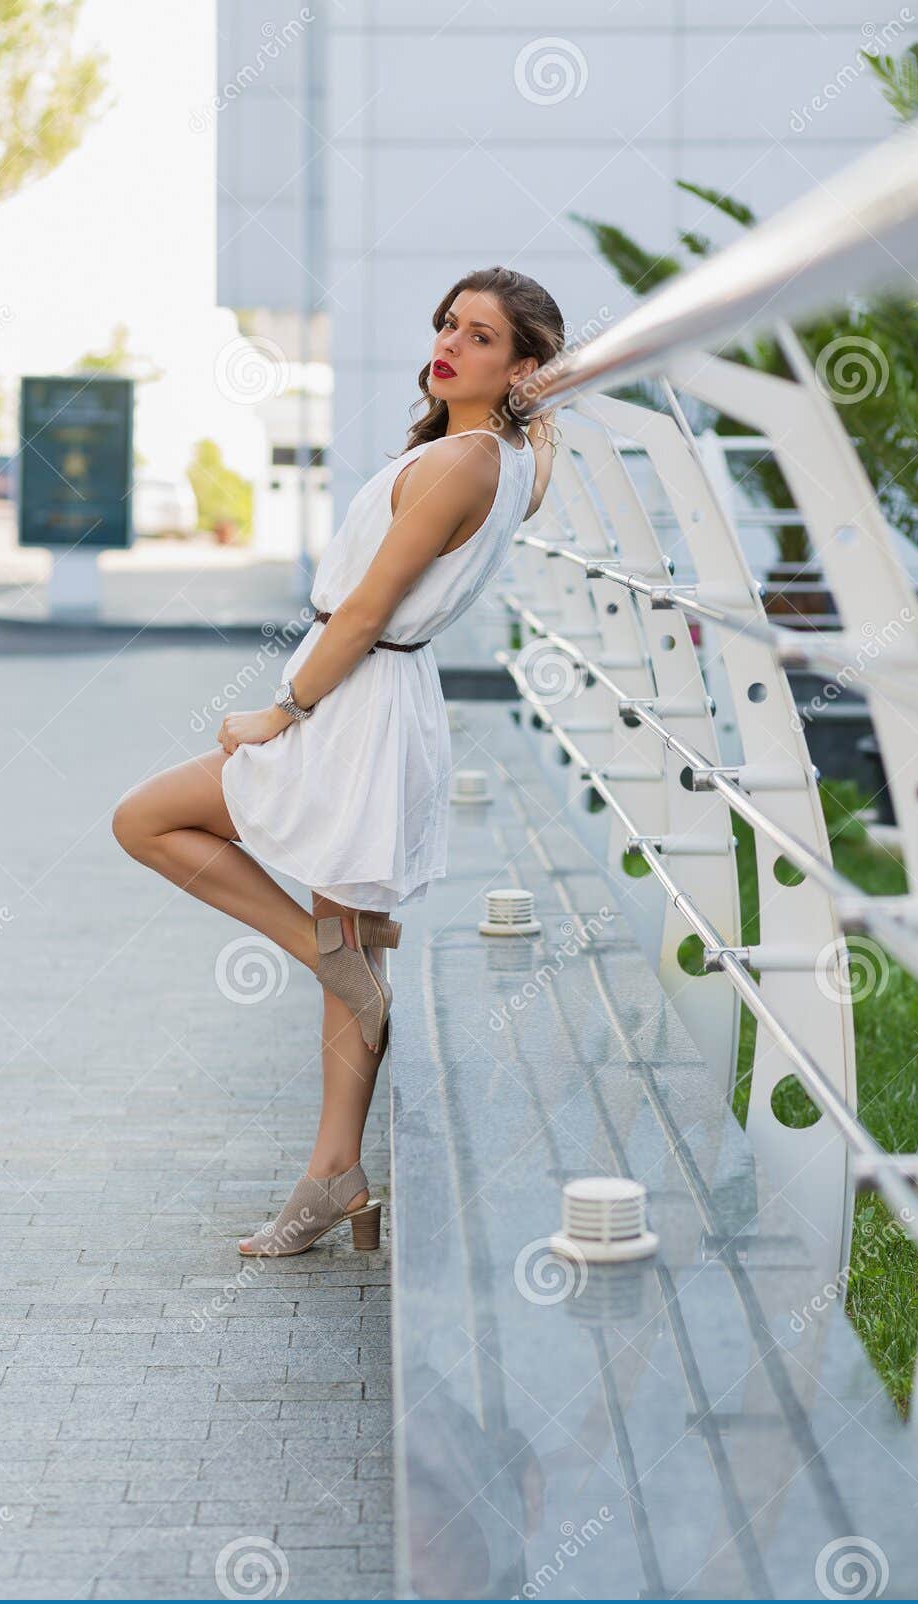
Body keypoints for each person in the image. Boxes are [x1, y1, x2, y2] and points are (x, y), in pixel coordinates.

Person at [112, 264, 564, 1257]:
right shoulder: (507, 462)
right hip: (385, 703)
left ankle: (327, 976)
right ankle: (332, 1179)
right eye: (448, 322)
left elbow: (362, 611)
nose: (448, 341)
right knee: (344, 945)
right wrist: (537, 407)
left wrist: (280, 711)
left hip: (352, 702)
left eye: (481, 336)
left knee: (143, 818)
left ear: (521, 364)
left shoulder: (461, 464)